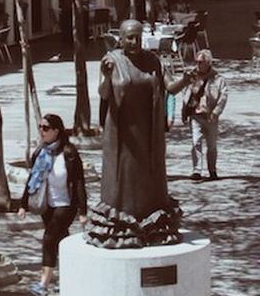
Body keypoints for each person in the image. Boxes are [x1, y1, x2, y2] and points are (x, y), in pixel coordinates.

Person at [89, 19, 181, 249]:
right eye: (129, 37)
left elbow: (170, 87)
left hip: (147, 130)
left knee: (149, 176)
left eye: (138, 37)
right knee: (123, 178)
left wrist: (190, 77)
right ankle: (120, 227)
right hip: (122, 133)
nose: (134, 41)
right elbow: (104, 93)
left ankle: (151, 224)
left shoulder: (152, 60)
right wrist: (106, 76)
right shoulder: (112, 60)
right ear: (121, 37)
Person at [18, 113, 86, 296]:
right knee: (62, 241)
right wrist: (23, 204)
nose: (42, 131)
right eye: (40, 127)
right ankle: (74, 278)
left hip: (65, 204)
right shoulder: (40, 152)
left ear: (57, 130)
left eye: (46, 128)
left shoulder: (69, 153)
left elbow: (79, 182)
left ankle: (43, 285)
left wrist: (83, 211)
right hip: (47, 204)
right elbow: (33, 178)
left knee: (49, 239)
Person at [168, 49, 229, 181]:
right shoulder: (192, 76)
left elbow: (223, 97)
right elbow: (186, 94)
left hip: (210, 116)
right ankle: (196, 170)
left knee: (212, 146)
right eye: (197, 61)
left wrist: (216, 112)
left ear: (208, 62)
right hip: (196, 115)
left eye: (201, 62)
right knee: (196, 142)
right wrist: (184, 111)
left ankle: (212, 170)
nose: (198, 64)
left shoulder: (218, 79)